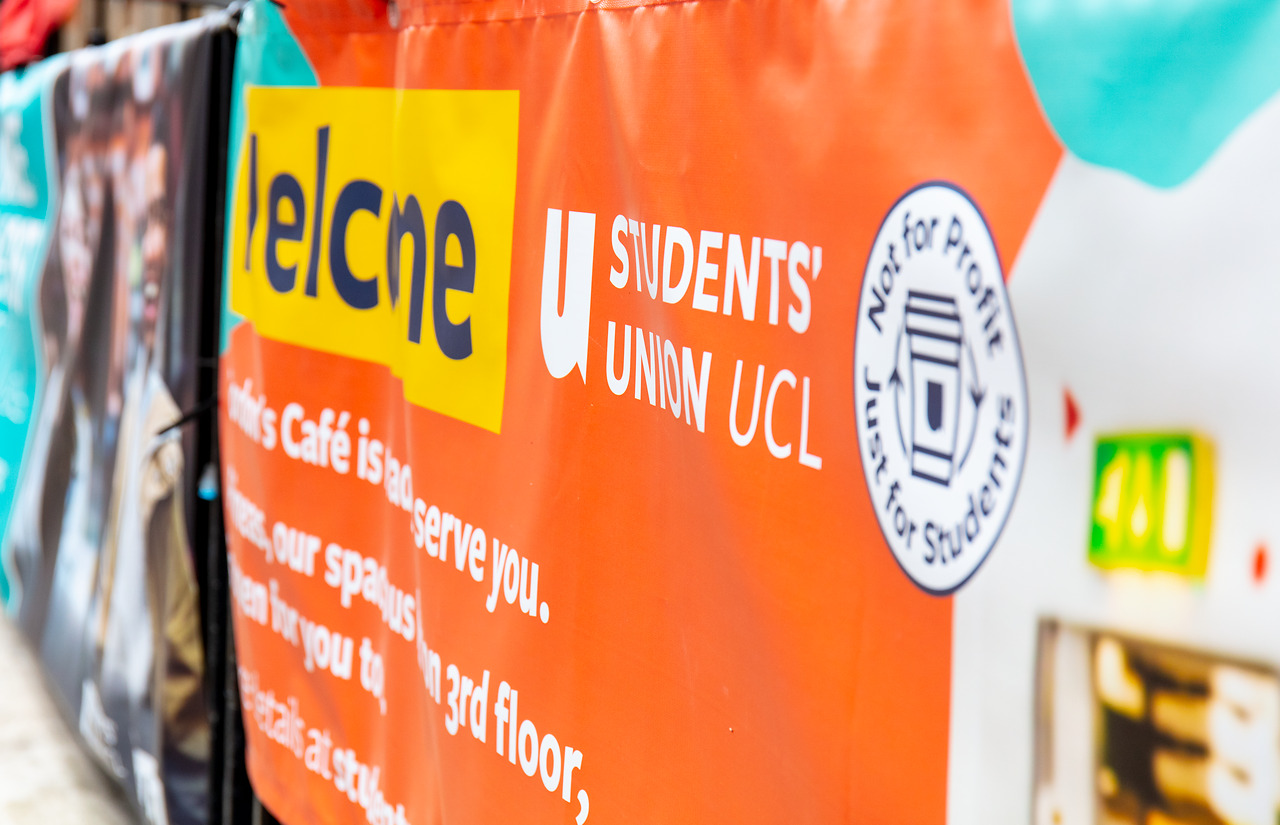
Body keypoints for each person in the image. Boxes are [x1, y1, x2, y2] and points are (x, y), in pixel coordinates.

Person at [92, 139, 207, 825]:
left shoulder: (164, 414)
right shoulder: (125, 396)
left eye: (165, 215)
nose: (154, 244)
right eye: (146, 218)